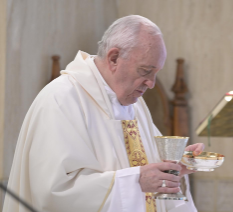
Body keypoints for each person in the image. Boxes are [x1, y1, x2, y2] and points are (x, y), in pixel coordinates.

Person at [3, 15, 204, 212]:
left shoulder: (136, 106)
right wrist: (136, 181)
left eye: (155, 73)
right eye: (145, 71)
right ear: (114, 58)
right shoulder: (62, 99)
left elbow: (152, 168)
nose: (151, 83)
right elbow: (54, 193)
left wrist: (174, 167)